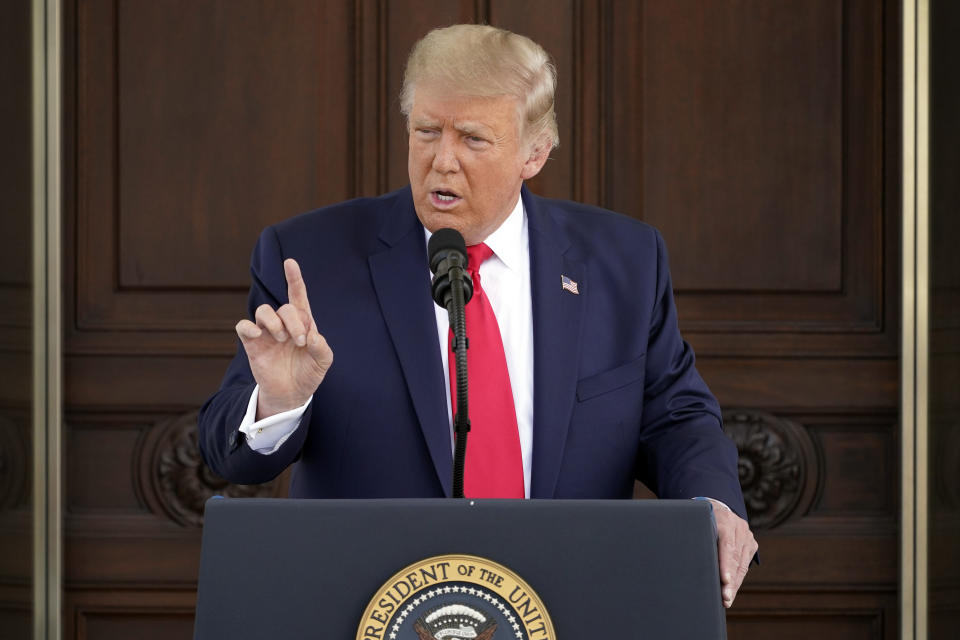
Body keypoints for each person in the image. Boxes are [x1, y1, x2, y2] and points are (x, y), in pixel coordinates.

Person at [198, 24, 757, 607]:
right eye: (426, 132)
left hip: (572, 598)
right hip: (371, 605)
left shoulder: (624, 260)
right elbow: (227, 453)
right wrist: (280, 405)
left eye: (473, 139)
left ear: (534, 153)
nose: (442, 161)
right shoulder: (309, 258)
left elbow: (675, 416)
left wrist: (712, 505)